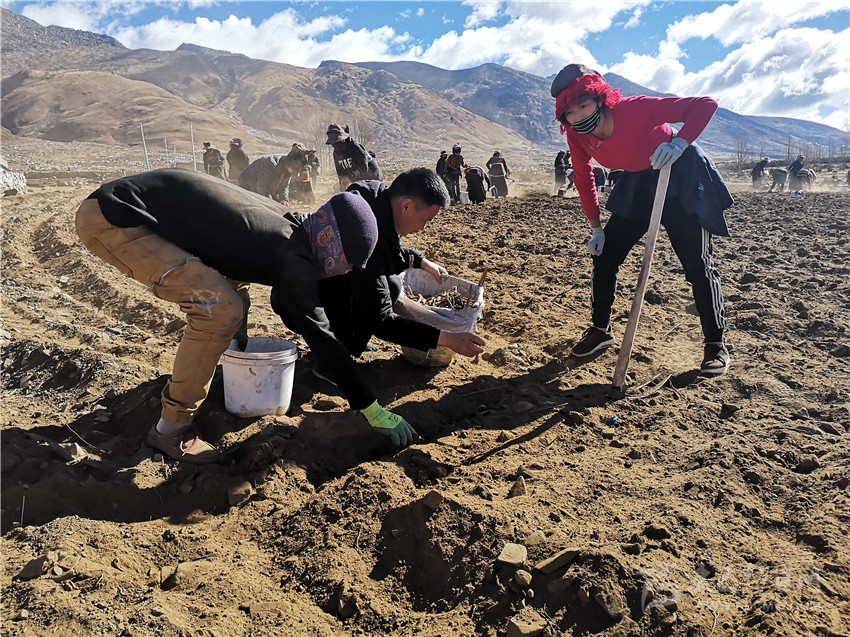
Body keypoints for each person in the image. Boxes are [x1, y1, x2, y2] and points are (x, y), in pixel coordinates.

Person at [75, 169, 426, 461]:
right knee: (219, 310)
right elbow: (323, 336)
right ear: (331, 244)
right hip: (115, 219)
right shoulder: (290, 255)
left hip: (139, 206)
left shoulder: (296, 229)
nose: (343, 273)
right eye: (347, 264)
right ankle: (171, 429)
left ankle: (225, 367)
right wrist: (370, 407)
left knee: (233, 290)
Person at [551, 63, 733, 374]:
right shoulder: (577, 137)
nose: (579, 116)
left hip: (679, 172)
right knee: (605, 255)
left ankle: (715, 344)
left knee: (697, 264)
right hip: (637, 181)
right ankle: (600, 331)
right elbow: (583, 178)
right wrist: (596, 228)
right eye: (570, 112)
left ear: (599, 99)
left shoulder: (634, 109)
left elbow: (705, 105)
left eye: (584, 105)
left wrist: (679, 143)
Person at [315, 168, 485, 377]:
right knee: (378, 293)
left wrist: (421, 262)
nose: (423, 228)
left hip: (322, 282)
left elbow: (389, 252)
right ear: (406, 205)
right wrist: (449, 339)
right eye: (425, 220)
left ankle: (350, 340)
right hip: (309, 300)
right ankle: (330, 359)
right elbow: (381, 321)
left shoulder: (377, 200)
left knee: (393, 285)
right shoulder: (366, 238)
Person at [238, 145, 307, 201]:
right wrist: (271, 202)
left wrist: (284, 199)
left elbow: (284, 185)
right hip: (247, 186)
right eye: (296, 168)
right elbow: (262, 188)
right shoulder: (269, 164)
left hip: (264, 189)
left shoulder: (287, 168)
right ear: (290, 162)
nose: (297, 172)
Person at [326, 123, 383, 190]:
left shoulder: (355, 147)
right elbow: (340, 172)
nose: (334, 145)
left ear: (343, 139)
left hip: (372, 177)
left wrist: (349, 177)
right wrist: (342, 183)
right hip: (358, 180)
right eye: (332, 143)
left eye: (337, 142)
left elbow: (363, 168)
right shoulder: (336, 153)